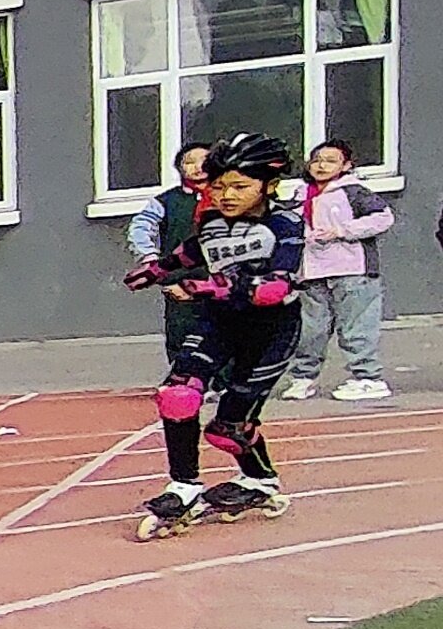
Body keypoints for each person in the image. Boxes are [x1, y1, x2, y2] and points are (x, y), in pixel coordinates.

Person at [128, 136, 307, 538]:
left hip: (270, 331)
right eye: (219, 186)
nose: (226, 195)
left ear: (268, 185)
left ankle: (260, 480)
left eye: (240, 186)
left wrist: (214, 286)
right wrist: (156, 270)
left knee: (227, 428)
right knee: (177, 395)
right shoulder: (211, 221)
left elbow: (275, 287)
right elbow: (191, 252)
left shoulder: (285, 224)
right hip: (217, 322)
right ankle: (184, 486)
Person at [299, 139, 394, 401]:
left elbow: (383, 218)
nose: (321, 165)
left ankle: (368, 377)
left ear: (346, 165)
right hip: (312, 271)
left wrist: (341, 231)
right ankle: (303, 377)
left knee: (356, 325)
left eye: (330, 160)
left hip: (353, 268)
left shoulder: (354, 192)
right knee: (311, 328)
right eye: (317, 159)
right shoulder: (301, 193)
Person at [129, 139, 224, 380]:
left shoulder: (228, 196)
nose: (197, 167)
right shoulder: (167, 201)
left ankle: (222, 381)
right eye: (188, 162)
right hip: (178, 277)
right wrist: (151, 260)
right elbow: (140, 228)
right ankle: (183, 378)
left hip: (219, 278)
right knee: (180, 330)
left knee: (222, 329)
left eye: (203, 160)